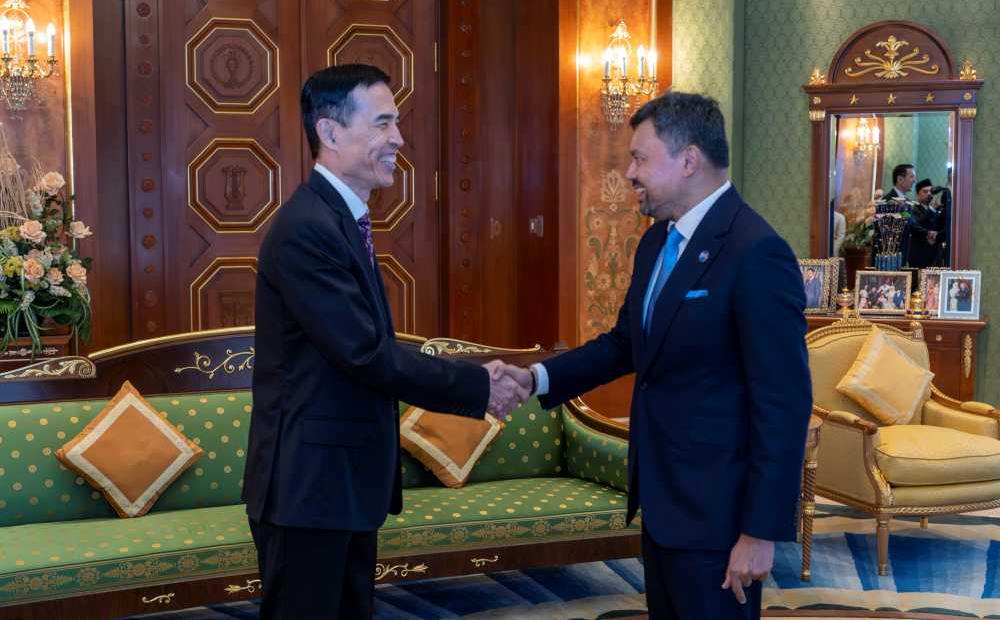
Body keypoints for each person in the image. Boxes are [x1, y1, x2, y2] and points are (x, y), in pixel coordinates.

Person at [497, 92, 812, 619]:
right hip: (663, 505)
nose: (628, 172)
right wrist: (536, 379)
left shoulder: (756, 250)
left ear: (688, 160)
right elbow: (626, 344)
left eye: (640, 158)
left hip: (719, 518)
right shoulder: (655, 243)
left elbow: (784, 401)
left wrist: (759, 532)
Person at [242, 64, 527, 619]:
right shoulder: (307, 228)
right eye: (383, 124)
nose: (398, 138)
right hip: (308, 489)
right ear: (330, 133)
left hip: (340, 485)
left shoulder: (341, 222)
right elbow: (366, 353)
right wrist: (478, 385)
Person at [907, 178, 939, 268]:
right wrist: (930, 211)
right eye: (925, 191)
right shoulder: (913, 209)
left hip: (933, 254)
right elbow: (916, 226)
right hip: (918, 254)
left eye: (930, 191)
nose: (929, 194)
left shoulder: (934, 211)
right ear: (918, 194)